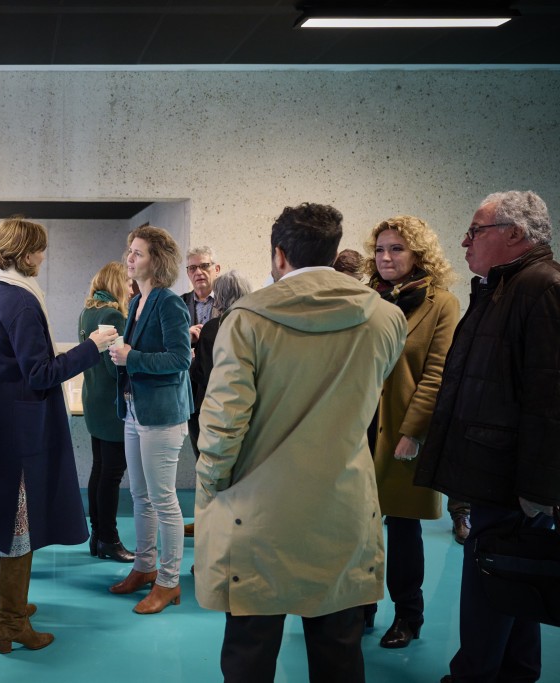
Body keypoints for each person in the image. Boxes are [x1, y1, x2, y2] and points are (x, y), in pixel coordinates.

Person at [195, 203, 406, 683]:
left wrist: (211, 486)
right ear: (333, 252)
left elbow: (225, 424)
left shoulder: (246, 321)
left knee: (250, 650)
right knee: (339, 652)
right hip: (342, 508)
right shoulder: (385, 318)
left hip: (256, 511)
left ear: (279, 254)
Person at [415, 190, 560, 683]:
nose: (464, 241)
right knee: (512, 582)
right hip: (493, 470)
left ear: (515, 235)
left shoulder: (541, 289)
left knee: (489, 589)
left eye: (476, 231)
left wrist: (538, 490)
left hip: (509, 479)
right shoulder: (501, 288)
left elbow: (550, 400)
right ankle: (515, 673)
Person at [0, 217, 116, 654]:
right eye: (40, 251)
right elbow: (41, 374)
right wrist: (94, 348)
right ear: (26, 253)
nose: (43, 258)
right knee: (18, 529)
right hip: (21, 433)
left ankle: (0, 606)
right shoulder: (22, 302)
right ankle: (11, 624)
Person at [362, 216, 460, 649]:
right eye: (380, 249)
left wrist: (414, 431)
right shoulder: (366, 298)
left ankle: (408, 615)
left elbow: (437, 374)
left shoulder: (442, 304)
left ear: (419, 253)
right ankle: (360, 606)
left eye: (396, 249)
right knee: (358, 526)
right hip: (359, 427)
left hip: (404, 429)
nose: (386, 257)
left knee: (403, 528)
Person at [108, 225, 192, 614]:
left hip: (162, 416)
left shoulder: (168, 302)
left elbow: (181, 359)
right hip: (135, 411)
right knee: (141, 496)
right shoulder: (139, 300)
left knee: (163, 500)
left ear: (156, 261)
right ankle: (144, 567)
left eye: (138, 253)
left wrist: (131, 358)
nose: (130, 258)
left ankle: (169, 582)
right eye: (130, 251)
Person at [78, 261, 134, 563]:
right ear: (115, 283)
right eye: (126, 281)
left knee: (100, 470)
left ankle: (98, 535)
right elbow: (118, 364)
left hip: (94, 402)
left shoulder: (88, 312)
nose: (130, 287)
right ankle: (109, 540)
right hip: (112, 406)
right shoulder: (113, 315)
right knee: (111, 475)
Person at [180, 246, 221, 537]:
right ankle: (204, 519)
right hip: (193, 394)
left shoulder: (231, 304)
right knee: (200, 460)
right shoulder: (180, 304)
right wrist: (187, 336)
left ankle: (220, 521)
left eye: (204, 266)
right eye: (192, 268)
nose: (198, 273)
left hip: (223, 392)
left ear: (216, 268)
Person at [188, 270, 253, 413]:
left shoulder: (212, 328)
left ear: (220, 297)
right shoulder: (256, 326)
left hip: (214, 406)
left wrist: (192, 359)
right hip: (248, 403)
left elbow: (203, 374)